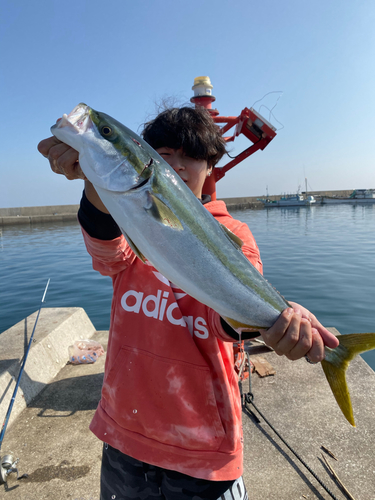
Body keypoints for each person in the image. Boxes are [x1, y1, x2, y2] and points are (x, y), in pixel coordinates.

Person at [38, 106, 339, 500]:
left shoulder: (234, 233)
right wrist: (91, 172)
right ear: (147, 160)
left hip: (205, 450)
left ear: (210, 166)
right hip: (125, 435)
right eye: (163, 152)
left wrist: (279, 323)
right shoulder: (132, 222)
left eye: (191, 154)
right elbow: (109, 252)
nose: (176, 163)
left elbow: (225, 322)